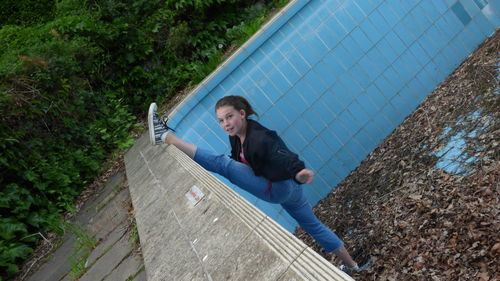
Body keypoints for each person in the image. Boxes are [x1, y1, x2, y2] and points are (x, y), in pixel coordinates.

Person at [148, 95, 370, 274]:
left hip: (279, 188)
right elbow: (242, 160)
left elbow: (282, 154)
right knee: (313, 226)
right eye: (221, 120)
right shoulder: (236, 136)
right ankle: (352, 267)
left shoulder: (261, 137)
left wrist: (299, 171)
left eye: (230, 117)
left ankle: (165, 136)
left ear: (242, 114)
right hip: (290, 190)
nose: (226, 124)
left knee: (222, 165)